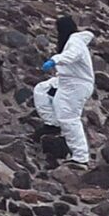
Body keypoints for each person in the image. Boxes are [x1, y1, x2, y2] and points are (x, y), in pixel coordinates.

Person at [30, 15, 95, 167]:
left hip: (77, 84)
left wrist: (55, 60)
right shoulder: (74, 41)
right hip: (67, 81)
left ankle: (80, 157)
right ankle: (52, 124)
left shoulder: (75, 41)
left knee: (69, 117)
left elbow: (72, 55)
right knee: (42, 90)